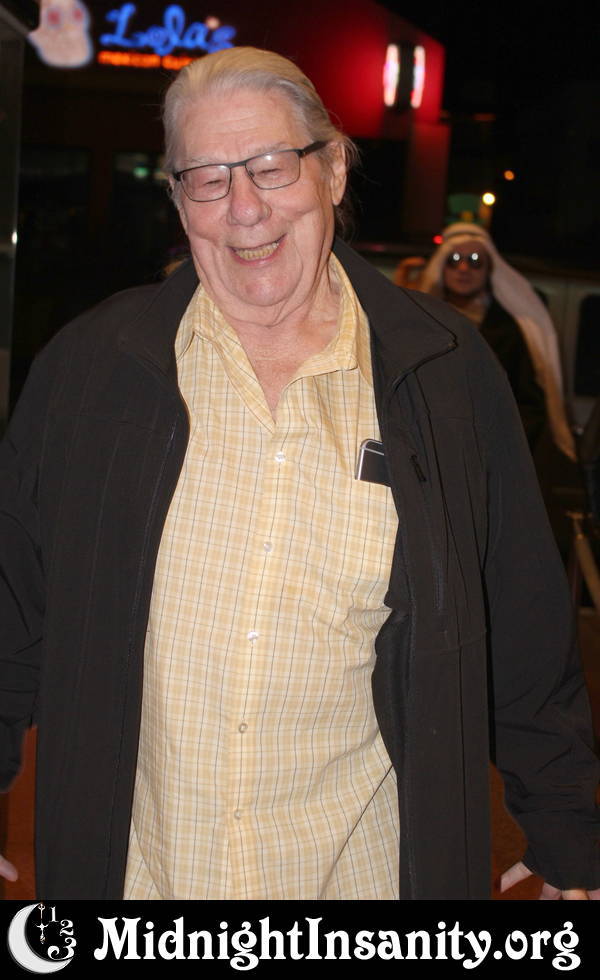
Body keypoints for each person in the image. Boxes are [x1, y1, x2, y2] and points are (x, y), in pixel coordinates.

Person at [1, 47, 599, 901]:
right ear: (178, 199)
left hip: (362, 888)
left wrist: (567, 823)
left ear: (335, 170)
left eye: (271, 166)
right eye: (207, 178)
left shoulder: (444, 373)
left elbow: (522, 614)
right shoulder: (93, 370)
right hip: (140, 887)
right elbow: (11, 594)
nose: (244, 208)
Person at [419, 222, 576, 461]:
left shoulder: (508, 330)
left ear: (488, 269)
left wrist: (498, 452)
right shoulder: (422, 320)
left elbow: (529, 407)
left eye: (475, 261)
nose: (463, 268)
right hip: (429, 451)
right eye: (454, 260)